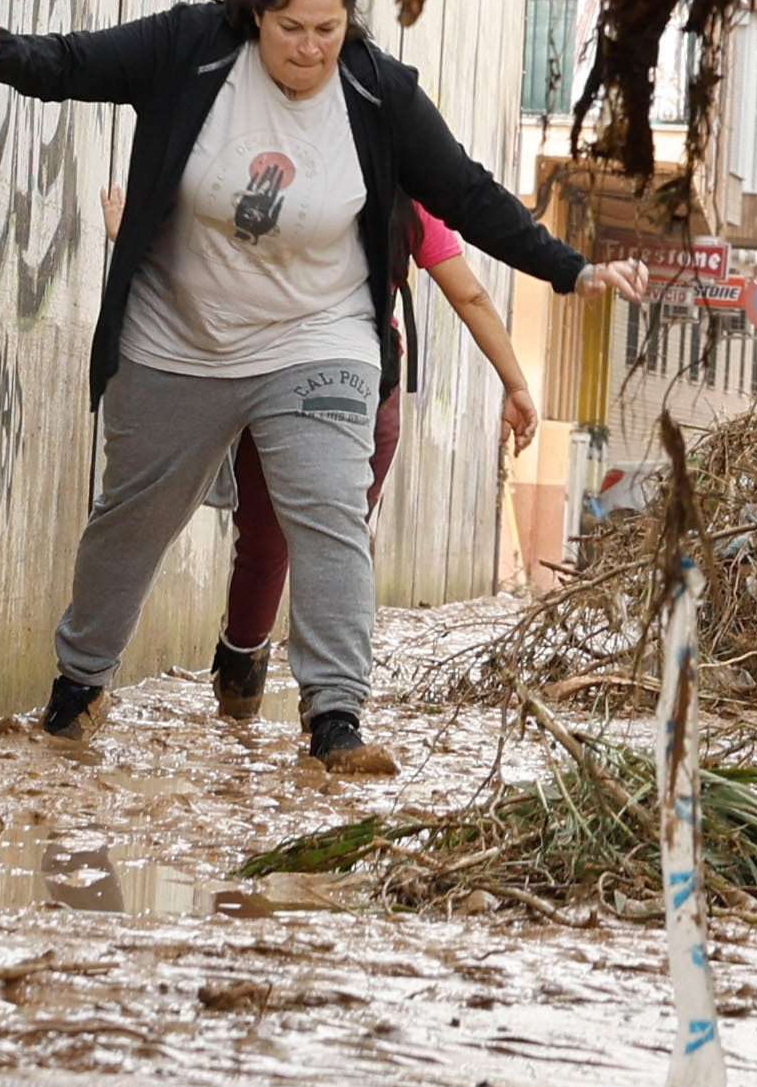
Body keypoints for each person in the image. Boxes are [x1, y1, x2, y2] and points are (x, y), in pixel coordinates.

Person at [0, 0, 653, 777]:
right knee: (131, 522)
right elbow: (77, 63)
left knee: (329, 512)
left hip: (321, 338)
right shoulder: (191, 49)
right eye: (292, 28)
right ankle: (80, 684)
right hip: (179, 338)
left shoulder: (377, 93)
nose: (310, 48)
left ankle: (335, 721)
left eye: (329, 29)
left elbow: (469, 193)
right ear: (256, 12)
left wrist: (571, 269)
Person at [206, 220, 547, 725]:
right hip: (365, 390)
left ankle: (237, 703)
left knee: (264, 543)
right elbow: (470, 295)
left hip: (278, 373)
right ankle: (332, 714)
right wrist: (515, 384)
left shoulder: (297, 166)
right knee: (339, 541)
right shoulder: (407, 185)